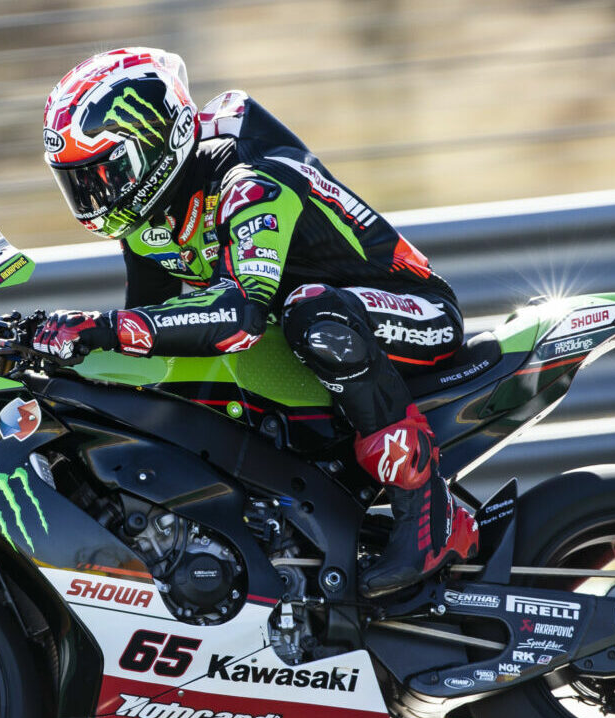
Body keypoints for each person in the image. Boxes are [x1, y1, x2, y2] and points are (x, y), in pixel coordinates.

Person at [31, 47, 477, 598]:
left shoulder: (250, 183)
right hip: (301, 325)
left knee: (311, 315)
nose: (97, 194)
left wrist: (96, 326)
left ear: (156, 144)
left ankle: (428, 511)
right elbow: (146, 328)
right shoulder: (147, 224)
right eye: (79, 181)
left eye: (107, 172)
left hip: (412, 310)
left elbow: (238, 316)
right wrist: (41, 345)